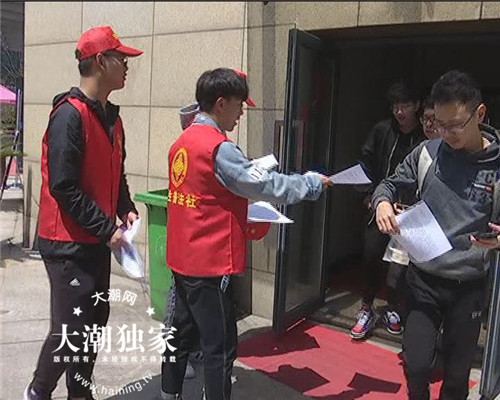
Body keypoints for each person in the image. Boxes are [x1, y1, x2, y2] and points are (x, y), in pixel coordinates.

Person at [160, 68, 332, 400]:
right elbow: (266, 185)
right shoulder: (219, 148)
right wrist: (310, 183)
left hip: (183, 256)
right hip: (208, 263)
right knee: (220, 345)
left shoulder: (183, 142)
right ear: (221, 103)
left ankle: (169, 394)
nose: (241, 113)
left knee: (179, 333)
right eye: (239, 105)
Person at [24, 26, 142, 400]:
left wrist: (125, 208)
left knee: (93, 322)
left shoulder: (112, 119)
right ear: (101, 61)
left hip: (96, 239)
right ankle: (38, 390)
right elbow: (64, 186)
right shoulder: (69, 116)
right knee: (71, 328)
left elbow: (116, 174)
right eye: (121, 58)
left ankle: (80, 392)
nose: (127, 65)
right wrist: (107, 229)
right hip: (66, 242)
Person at [373, 70, 500, 400]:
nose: (446, 134)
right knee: (415, 365)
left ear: (480, 114)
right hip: (423, 280)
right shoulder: (428, 152)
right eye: (439, 124)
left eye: (455, 125)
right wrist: (382, 203)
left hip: (469, 286)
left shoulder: (497, 165)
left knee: (456, 378)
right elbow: (388, 184)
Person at [351, 80, 425, 339]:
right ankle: (366, 308)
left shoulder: (424, 137)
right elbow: (366, 161)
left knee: (400, 266)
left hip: (410, 213)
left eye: (405, 105)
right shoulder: (383, 130)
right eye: (395, 106)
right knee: (371, 256)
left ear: (417, 105)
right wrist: (369, 193)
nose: (399, 111)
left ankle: (393, 308)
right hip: (380, 207)